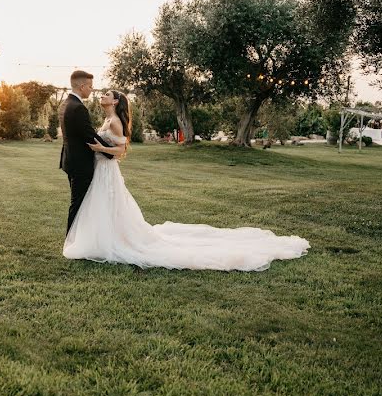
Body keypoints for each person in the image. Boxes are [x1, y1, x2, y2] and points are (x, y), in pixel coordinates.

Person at [63, 87, 310, 271]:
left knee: (110, 206)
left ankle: (113, 240)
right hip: (101, 171)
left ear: (115, 101)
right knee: (103, 207)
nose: (102, 96)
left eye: (107, 94)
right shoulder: (107, 119)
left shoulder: (116, 122)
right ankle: (101, 237)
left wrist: (101, 150)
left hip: (107, 170)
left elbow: (121, 151)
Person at [58, 70, 114, 234]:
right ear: (82, 86)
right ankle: (71, 240)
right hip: (80, 164)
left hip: (69, 160)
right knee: (79, 203)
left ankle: (78, 237)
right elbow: (89, 136)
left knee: (78, 201)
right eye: (90, 86)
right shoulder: (78, 108)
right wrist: (111, 152)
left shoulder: (65, 104)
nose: (92, 90)